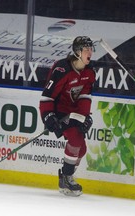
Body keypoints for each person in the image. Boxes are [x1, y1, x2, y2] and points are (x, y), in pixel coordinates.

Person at [39, 36, 96, 196]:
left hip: (74, 112)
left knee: (82, 149)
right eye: (86, 49)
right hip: (59, 112)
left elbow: (85, 96)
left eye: (91, 49)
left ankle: (65, 175)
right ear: (78, 52)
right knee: (76, 139)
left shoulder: (90, 72)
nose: (90, 52)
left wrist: (85, 117)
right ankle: (67, 177)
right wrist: (48, 116)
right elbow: (47, 96)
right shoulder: (61, 69)